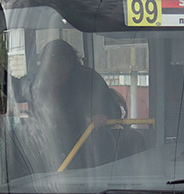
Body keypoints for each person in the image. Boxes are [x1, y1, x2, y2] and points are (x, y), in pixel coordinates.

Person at [19, 39, 122, 170]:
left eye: (61, 65)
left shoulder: (89, 80)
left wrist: (102, 117)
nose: (56, 71)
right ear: (43, 67)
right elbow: (14, 91)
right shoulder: (35, 81)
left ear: (71, 64)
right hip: (46, 159)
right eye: (51, 66)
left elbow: (114, 111)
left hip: (88, 158)